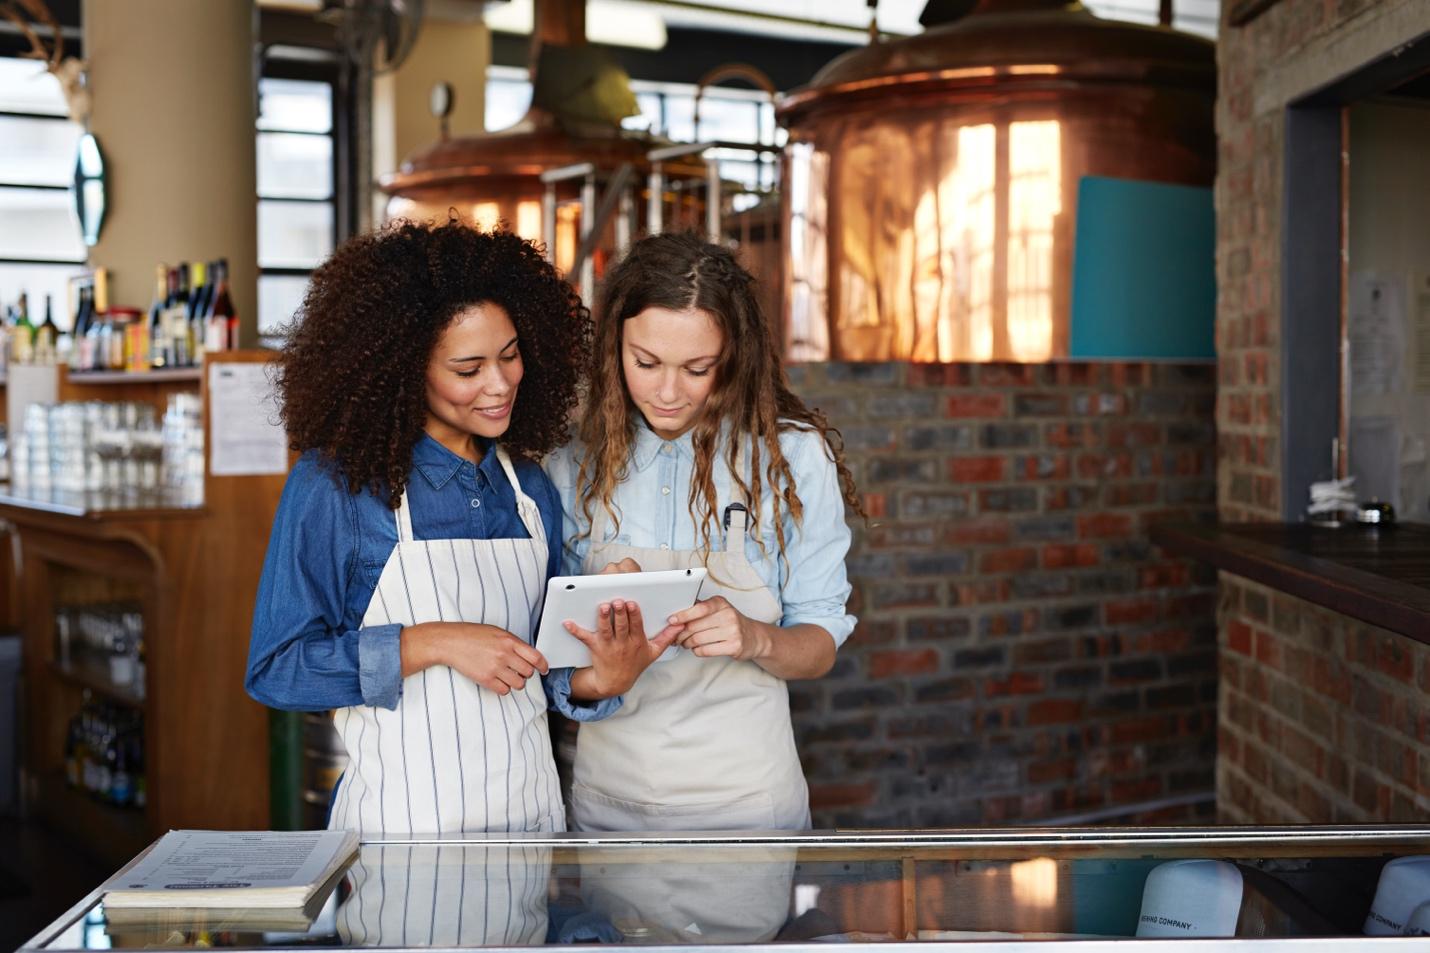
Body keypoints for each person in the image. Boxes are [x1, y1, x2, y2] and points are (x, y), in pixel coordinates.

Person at [245, 220, 667, 837]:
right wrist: (432, 642)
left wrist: (604, 675)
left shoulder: (528, 487)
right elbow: (278, 668)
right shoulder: (338, 486)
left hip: (530, 825)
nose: (500, 385)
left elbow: (545, 667)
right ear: (401, 369)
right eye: (468, 369)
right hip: (398, 840)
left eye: (511, 354)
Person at [545, 232, 863, 836]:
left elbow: (820, 642)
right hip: (610, 801)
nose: (669, 393)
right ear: (615, 347)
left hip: (747, 800)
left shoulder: (790, 457)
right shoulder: (572, 461)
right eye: (646, 364)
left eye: (697, 369)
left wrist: (755, 639)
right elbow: (553, 664)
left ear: (734, 356)